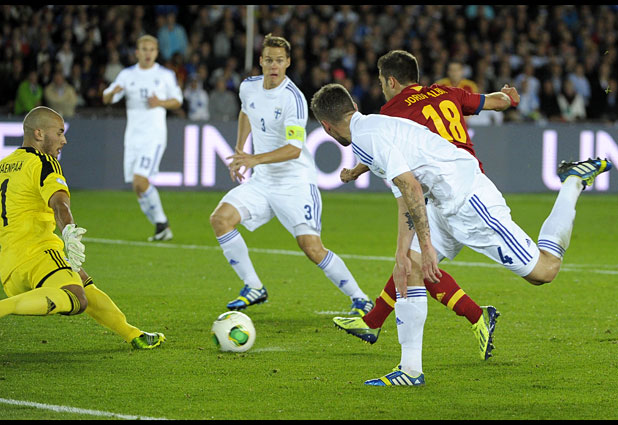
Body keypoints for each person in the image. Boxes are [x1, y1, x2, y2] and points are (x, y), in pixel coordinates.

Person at [310, 83, 611, 386]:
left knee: (544, 271)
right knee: (410, 266)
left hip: (469, 201)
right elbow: (405, 194)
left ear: (326, 126)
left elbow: (411, 188)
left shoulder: (367, 137)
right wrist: (403, 250)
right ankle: (410, 370)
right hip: (443, 201)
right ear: (352, 106)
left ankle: (573, 181)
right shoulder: (374, 126)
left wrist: (425, 244)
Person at [333, 50, 519, 361]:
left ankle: (475, 317)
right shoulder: (447, 92)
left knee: (415, 262)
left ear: (392, 81)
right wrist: (510, 97)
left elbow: (385, 149)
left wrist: (355, 170)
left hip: (445, 193)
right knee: (414, 260)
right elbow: (497, 102)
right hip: (472, 183)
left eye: (381, 81)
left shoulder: (392, 111)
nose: (381, 87)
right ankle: (372, 322)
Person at [209, 34, 374, 315]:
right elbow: (246, 112)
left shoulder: (293, 98)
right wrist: (240, 149)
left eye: (279, 60)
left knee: (311, 247)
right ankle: (253, 287)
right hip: (263, 181)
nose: (274, 65)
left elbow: (294, 149)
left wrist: (253, 158)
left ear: (288, 63)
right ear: (261, 61)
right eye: (269, 60)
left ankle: (360, 298)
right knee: (220, 219)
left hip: (295, 183)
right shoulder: (248, 87)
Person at [0, 106, 165, 350]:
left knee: (83, 283)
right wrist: (69, 231)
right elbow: (60, 203)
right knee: (77, 298)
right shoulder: (43, 162)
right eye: (59, 132)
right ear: (39, 134)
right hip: (38, 255)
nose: (64, 140)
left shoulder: (4, 165)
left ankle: (133, 334)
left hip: (9, 268)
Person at [102, 35, 183, 241]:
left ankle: (162, 223)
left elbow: (177, 100)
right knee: (137, 186)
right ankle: (161, 227)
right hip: (132, 137)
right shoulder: (127, 75)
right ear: (137, 53)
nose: (148, 53)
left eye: (152, 49)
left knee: (141, 179)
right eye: (144, 49)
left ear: (156, 52)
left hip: (153, 136)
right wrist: (113, 93)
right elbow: (106, 97)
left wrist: (160, 102)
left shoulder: (165, 75)